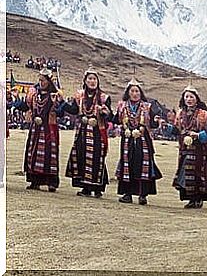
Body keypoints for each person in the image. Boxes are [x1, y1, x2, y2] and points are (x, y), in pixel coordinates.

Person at [63, 66, 112, 198]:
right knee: (81, 156)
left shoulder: (103, 97)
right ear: (85, 81)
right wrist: (62, 103)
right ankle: (85, 188)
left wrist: (103, 112)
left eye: (94, 79)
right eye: (90, 78)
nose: (92, 81)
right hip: (83, 132)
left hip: (97, 132)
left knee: (97, 158)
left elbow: (110, 114)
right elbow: (73, 110)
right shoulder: (79, 95)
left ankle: (97, 188)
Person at [112, 78, 163, 205]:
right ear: (128, 93)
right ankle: (127, 194)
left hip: (143, 140)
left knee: (142, 165)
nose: (135, 94)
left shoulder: (147, 106)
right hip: (127, 139)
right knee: (127, 164)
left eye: (137, 91)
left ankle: (143, 195)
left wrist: (156, 121)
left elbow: (152, 123)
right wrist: (106, 113)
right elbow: (116, 120)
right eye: (132, 91)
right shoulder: (122, 106)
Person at [13, 68, 62, 192]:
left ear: (49, 81)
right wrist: (15, 99)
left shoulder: (55, 95)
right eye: (39, 80)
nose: (41, 82)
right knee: (33, 153)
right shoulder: (33, 94)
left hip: (49, 129)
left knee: (49, 154)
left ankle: (51, 182)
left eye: (43, 80)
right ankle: (35, 181)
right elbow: (24, 107)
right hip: (35, 128)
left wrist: (59, 104)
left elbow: (61, 112)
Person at [171, 85, 207, 209]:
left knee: (198, 173)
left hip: (199, 149)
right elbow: (176, 130)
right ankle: (190, 199)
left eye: (191, 97)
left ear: (197, 98)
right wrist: (165, 126)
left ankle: (199, 198)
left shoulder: (204, 114)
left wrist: (199, 135)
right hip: (185, 148)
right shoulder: (180, 114)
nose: (189, 99)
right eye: (187, 97)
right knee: (185, 173)